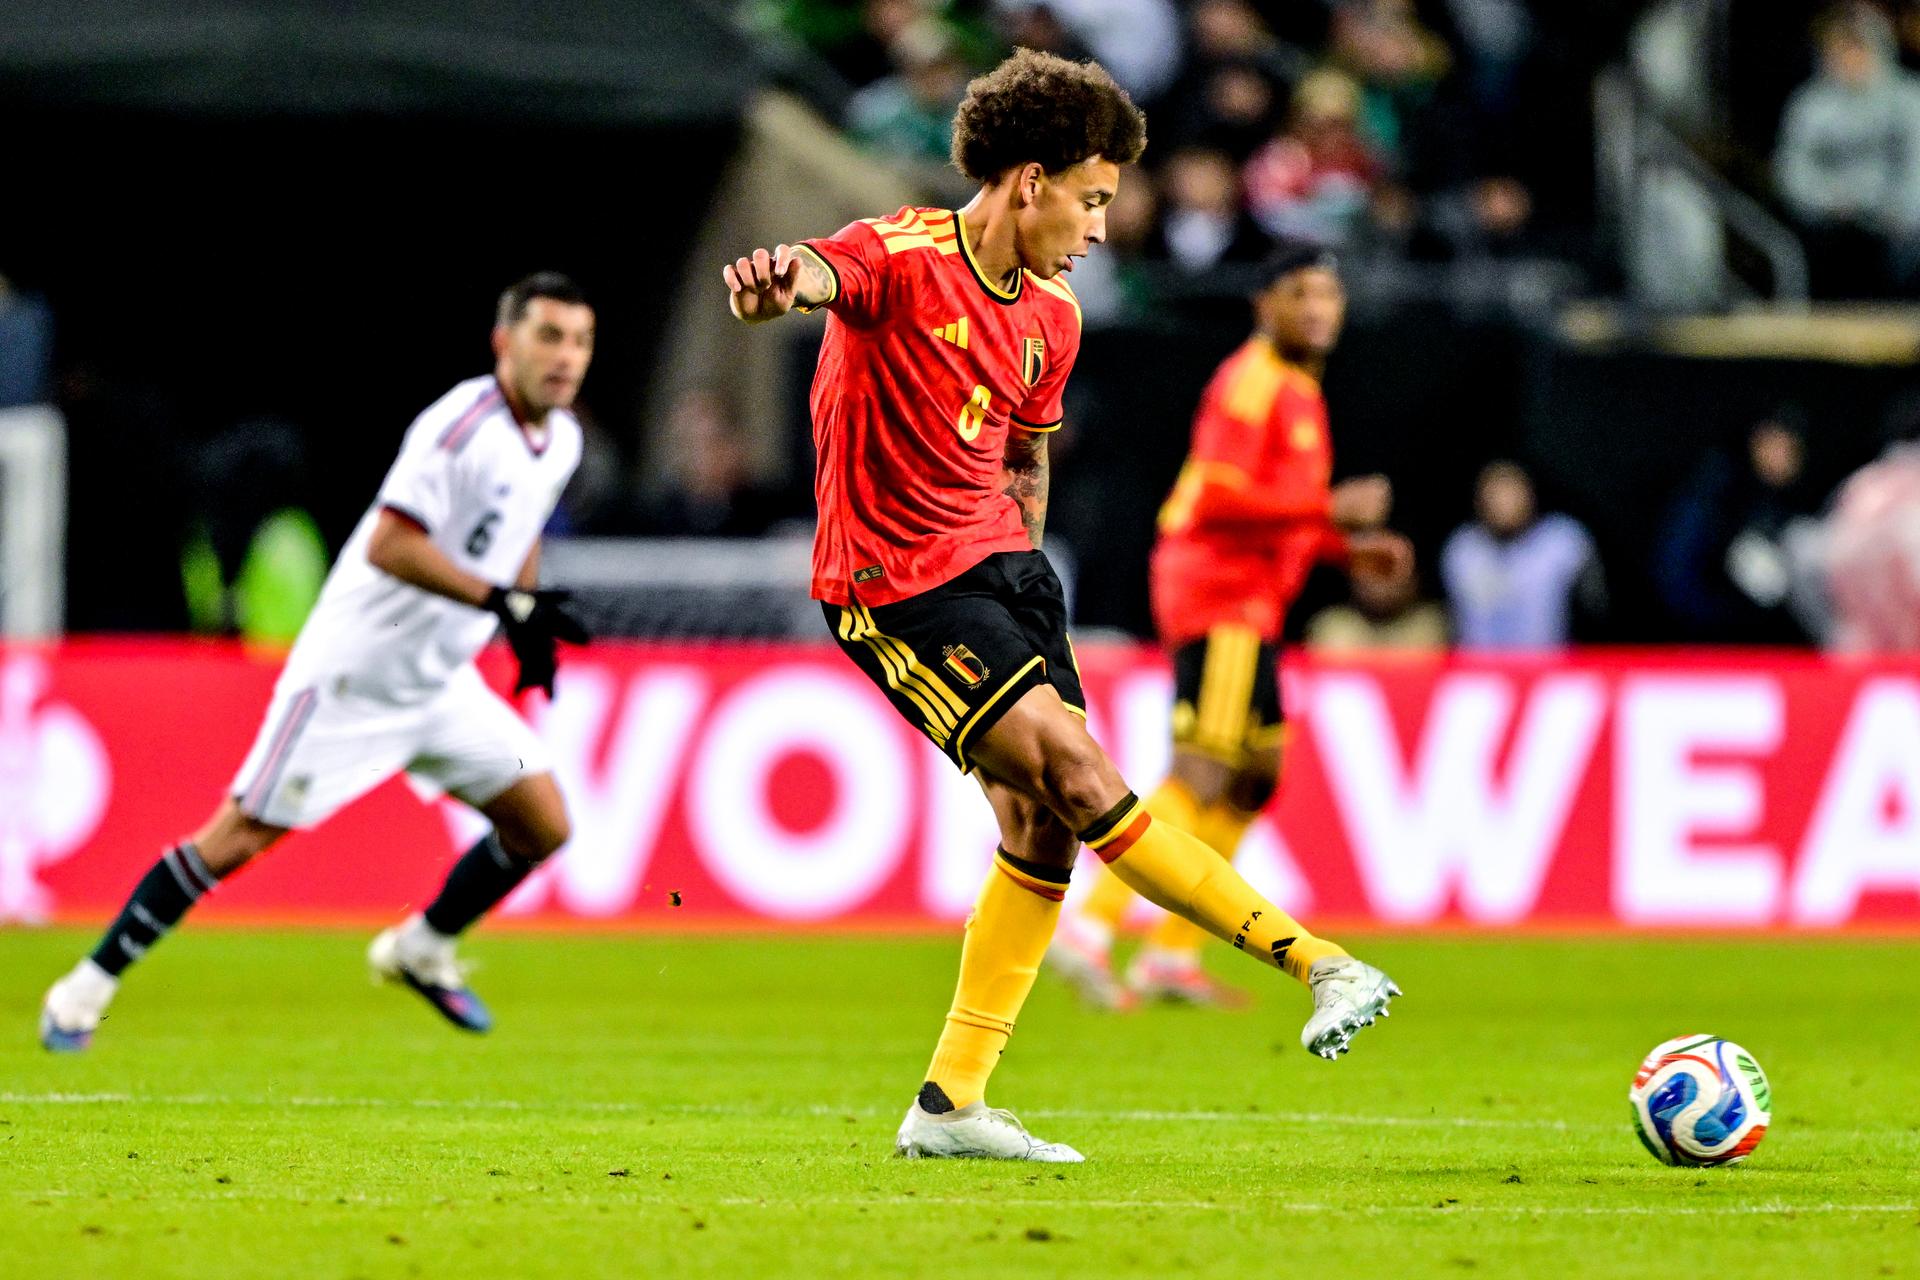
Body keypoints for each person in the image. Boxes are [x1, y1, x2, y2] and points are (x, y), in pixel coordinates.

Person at [724, 51, 1401, 1164]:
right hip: (894, 585)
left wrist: (1024, 567)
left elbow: (1026, 451)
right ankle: (1317, 961)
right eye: (1091, 198)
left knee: (1039, 823)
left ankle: (951, 1103)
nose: (1099, 227)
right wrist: (772, 283)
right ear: (1029, 182)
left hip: (1004, 577)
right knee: (1089, 785)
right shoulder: (900, 254)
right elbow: (814, 272)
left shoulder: (1053, 315)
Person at [38, 274, 594, 1052]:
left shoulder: (560, 437)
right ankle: (82, 989)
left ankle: (422, 949)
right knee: (234, 839)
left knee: (542, 823)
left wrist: (525, 620)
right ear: (505, 343)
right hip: (353, 678)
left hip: (438, 683)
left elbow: (518, 531)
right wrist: (502, 600)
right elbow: (390, 543)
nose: (565, 357)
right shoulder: (459, 428)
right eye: (548, 337)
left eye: (578, 340)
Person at [1049, 245, 1412, 1009]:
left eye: (1328, 294)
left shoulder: (1298, 390)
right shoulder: (1253, 385)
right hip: (1219, 594)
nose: (1317, 308)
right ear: (1264, 306)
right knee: (1203, 771)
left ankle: (1170, 957)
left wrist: (1345, 551)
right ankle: (1092, 927)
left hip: (1251, 597)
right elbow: (1217, 502)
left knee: (1255, 776)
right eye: (1300, 293)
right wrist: (1329, 511)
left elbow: (1275, 514)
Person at [1441, 459, 1603, 650]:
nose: (1504, 502)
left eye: (1511, 492)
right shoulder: (1462, 548)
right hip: (1478, 672)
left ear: (1530, 494)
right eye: (1495, 493)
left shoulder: (1562, 541)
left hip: (1552, 668)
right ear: (1479, 500)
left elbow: (1596, 609)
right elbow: (1449, 617)